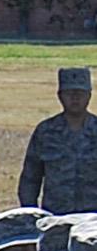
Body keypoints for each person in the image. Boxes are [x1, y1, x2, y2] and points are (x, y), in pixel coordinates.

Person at [29, 66, 97, 211]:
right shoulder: (45, 131)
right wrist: (30, 213)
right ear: (60, 96)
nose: (75, 98)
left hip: (93, 217)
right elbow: (30, 178)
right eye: (69, 93)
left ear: (89, 95)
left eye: (80, 93)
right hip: (56, 216)